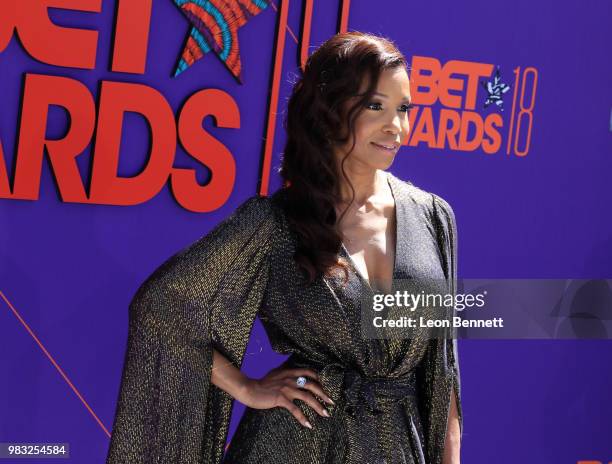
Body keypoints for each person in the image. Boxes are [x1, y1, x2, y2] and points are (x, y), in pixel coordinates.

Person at [106, 31, 463, 464]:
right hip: (295, 445)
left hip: (395, 449)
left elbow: (442, 371)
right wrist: (246, 387)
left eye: (403, 108)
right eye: (375, 106)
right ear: (331, 111)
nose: (396, 126)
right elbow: (160, 311)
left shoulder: (432, 217)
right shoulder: (275, 222)